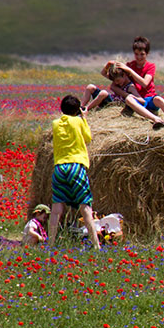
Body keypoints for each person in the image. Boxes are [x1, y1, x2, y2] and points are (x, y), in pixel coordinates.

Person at [101, 35, 164, 135]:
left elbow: (145, 83)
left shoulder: (150, 66)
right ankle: (156, 119)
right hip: (137, 100)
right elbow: (108, 75)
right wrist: (109, 64)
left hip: (148, 98)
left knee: (159, 99)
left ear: (147, 54)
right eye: (136, 54)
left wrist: (130, 71)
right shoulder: (130, 65)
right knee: (129, 99)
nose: (139, 57)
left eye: (142, 54)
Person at [47, 95, 101, 250]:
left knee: (56, 208)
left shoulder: (55, 123)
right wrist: (84, 118)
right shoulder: (78, 121)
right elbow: (88, 138)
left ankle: (50, 244)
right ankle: (96, 244)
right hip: (76, 166)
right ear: (77, 110)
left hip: (59, 167)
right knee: (85, 206)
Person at [84, 63, 164, 129]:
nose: (116, 83)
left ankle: (86, 109)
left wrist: (131, 96)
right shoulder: (117, 78)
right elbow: (103, 72)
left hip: (113, 103)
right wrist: (110, 63)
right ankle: (82, 106)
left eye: (117, 80)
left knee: (103, 93)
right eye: (114, 81)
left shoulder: (130, 87)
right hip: (111, 99)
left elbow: (142, 100)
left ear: (124, 75)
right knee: (90, 87)